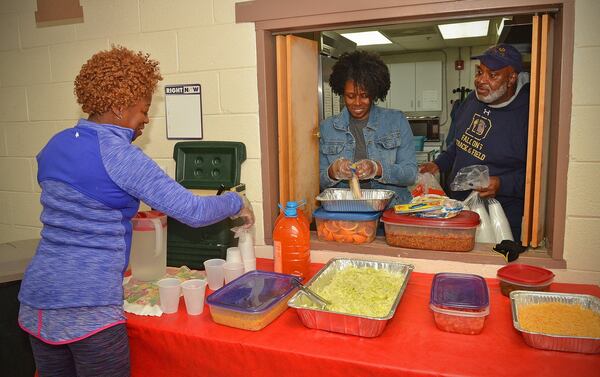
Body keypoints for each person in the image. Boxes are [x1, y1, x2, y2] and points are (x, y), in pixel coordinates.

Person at [17, 46, 254, 377]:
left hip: (36, 302)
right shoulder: (119, 155)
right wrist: (236, 201)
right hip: (88, 306)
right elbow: (194, 211)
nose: (145, 119)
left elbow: (81, 205)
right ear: (118, 106)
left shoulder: (54, 145)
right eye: (143, 110)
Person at [420, 43, 530, 241]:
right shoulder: (473, 100)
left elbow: (540, 176)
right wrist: (438, 164)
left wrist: (502, 183)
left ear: (512, 78)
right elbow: (460, 143)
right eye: (480, 72)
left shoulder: (529, 114)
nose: (480, 80)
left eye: (492, 75)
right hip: (461, 207)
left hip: (501, 214)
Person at [319, 50, 417, 206]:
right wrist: (333, 172)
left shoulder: (396, 120)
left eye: (364, 95)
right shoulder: (327, 128)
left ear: (374, 93)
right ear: (342, 94)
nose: (357, 102)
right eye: (351, 96)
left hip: (391, 210)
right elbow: (319, 180)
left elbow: (410, 174)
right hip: (348, 213)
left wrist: (377, 169)